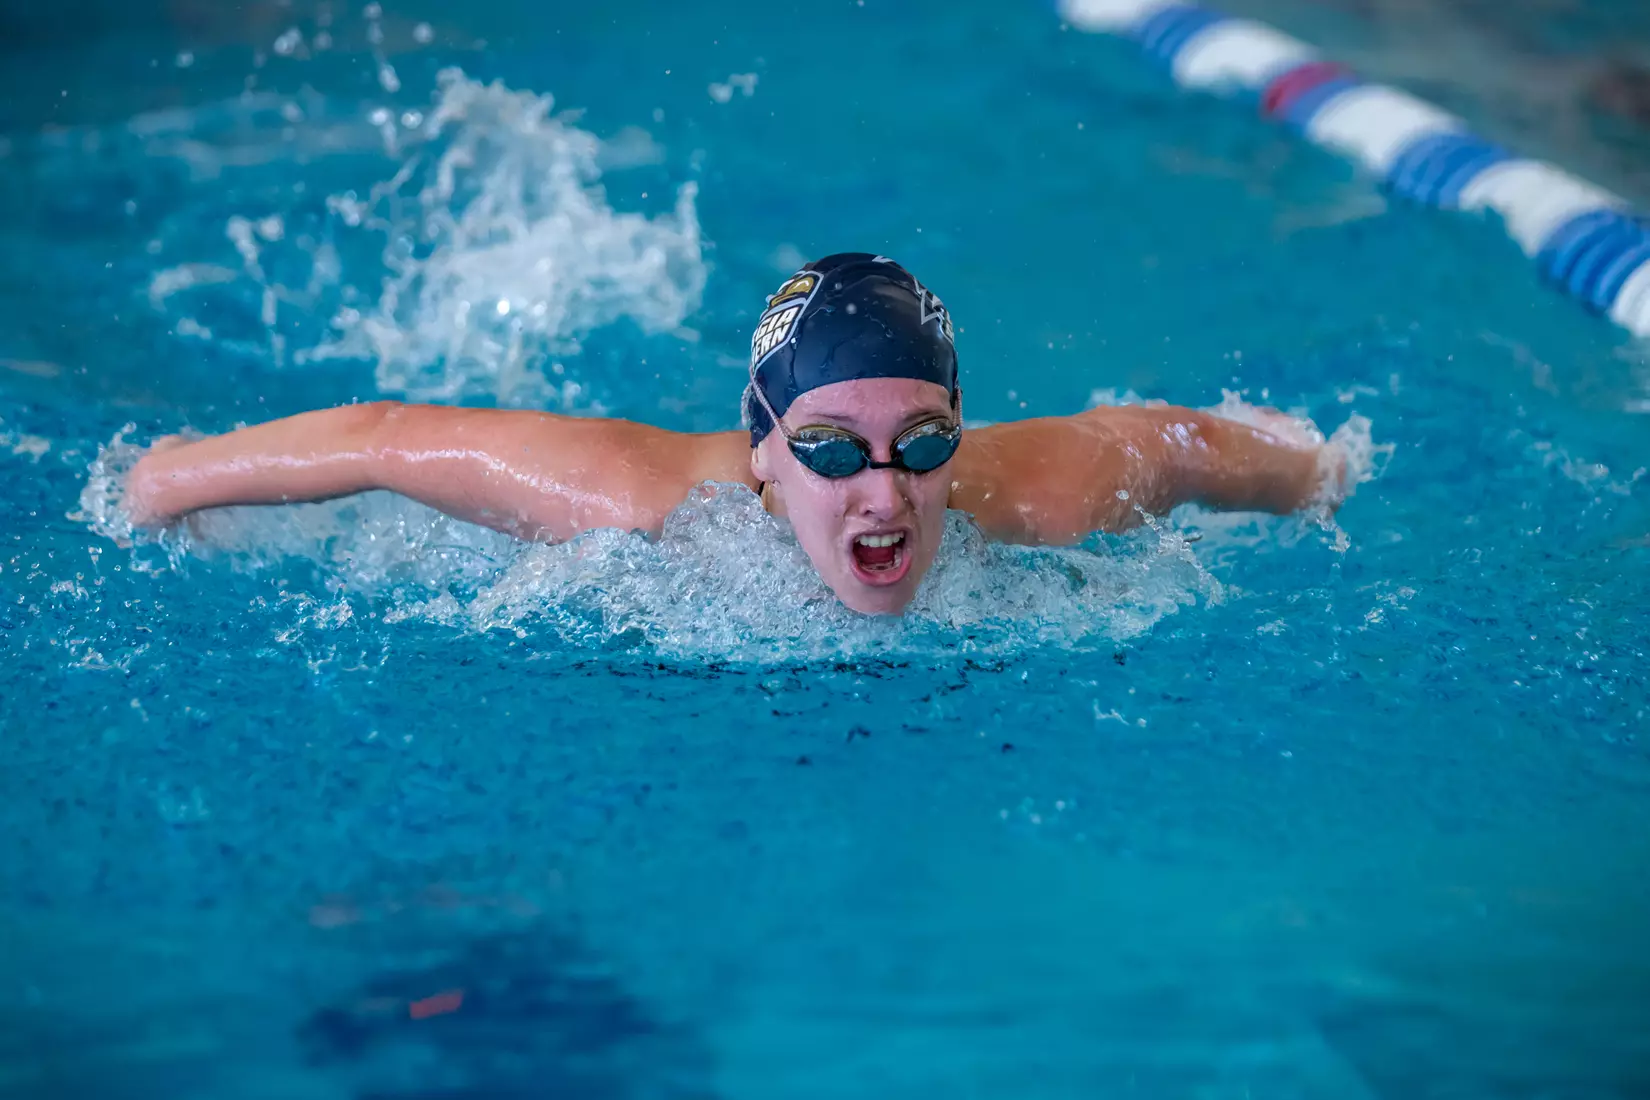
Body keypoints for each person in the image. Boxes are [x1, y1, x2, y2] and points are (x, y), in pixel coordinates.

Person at [125, 253, 1348, 615]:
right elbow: (386, 436)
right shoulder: (636, 502)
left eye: (921, 443)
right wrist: (163, 481)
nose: (883, 491)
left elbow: (1170, 441)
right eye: (827, 447)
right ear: (762, 450)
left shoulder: (1032, 495)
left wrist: (1319, 472)